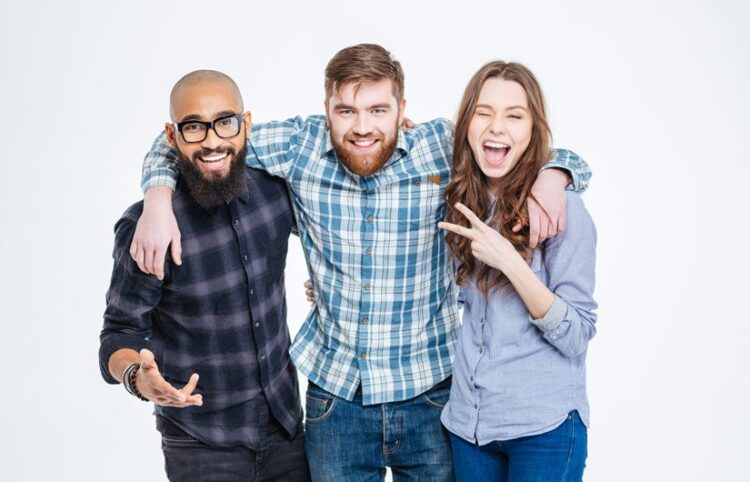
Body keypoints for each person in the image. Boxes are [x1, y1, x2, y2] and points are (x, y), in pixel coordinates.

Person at [131, 45, 591, 481]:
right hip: (338, 402)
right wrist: (157, 195)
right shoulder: (299, 145)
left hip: (431, 394)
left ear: (402, 109)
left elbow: (521, 144)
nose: (362, 127)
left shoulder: (441, 146)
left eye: (378, 110)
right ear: (325, 109)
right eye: (346, 110)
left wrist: (556, 174)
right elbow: (200, 133)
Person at [98, 70, 310, 482]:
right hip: (200, 444)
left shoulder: (276, 193)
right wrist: (137, 378)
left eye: (225, 123)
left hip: (286, 430)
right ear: (172, 136)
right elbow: (117, 335)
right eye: (194, 127)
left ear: (246, 125)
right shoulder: (148, 228)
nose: (212, 141)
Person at [438, 60, 597, 482]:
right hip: (468, 426)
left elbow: (578, 332)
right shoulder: (457, 199)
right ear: (466, 122)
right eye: (484, 112)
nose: (496, 127)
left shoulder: (562, 209)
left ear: (532, 129)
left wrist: (511, 261)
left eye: (514, 115)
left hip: (543, 428)